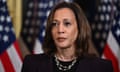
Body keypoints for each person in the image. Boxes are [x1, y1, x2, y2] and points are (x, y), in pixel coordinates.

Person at [21, 2, 113, 72]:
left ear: (80, 28)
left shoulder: (101, 67)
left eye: (67, 23)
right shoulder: (31, 64)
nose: (60, 30)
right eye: (54, 24)